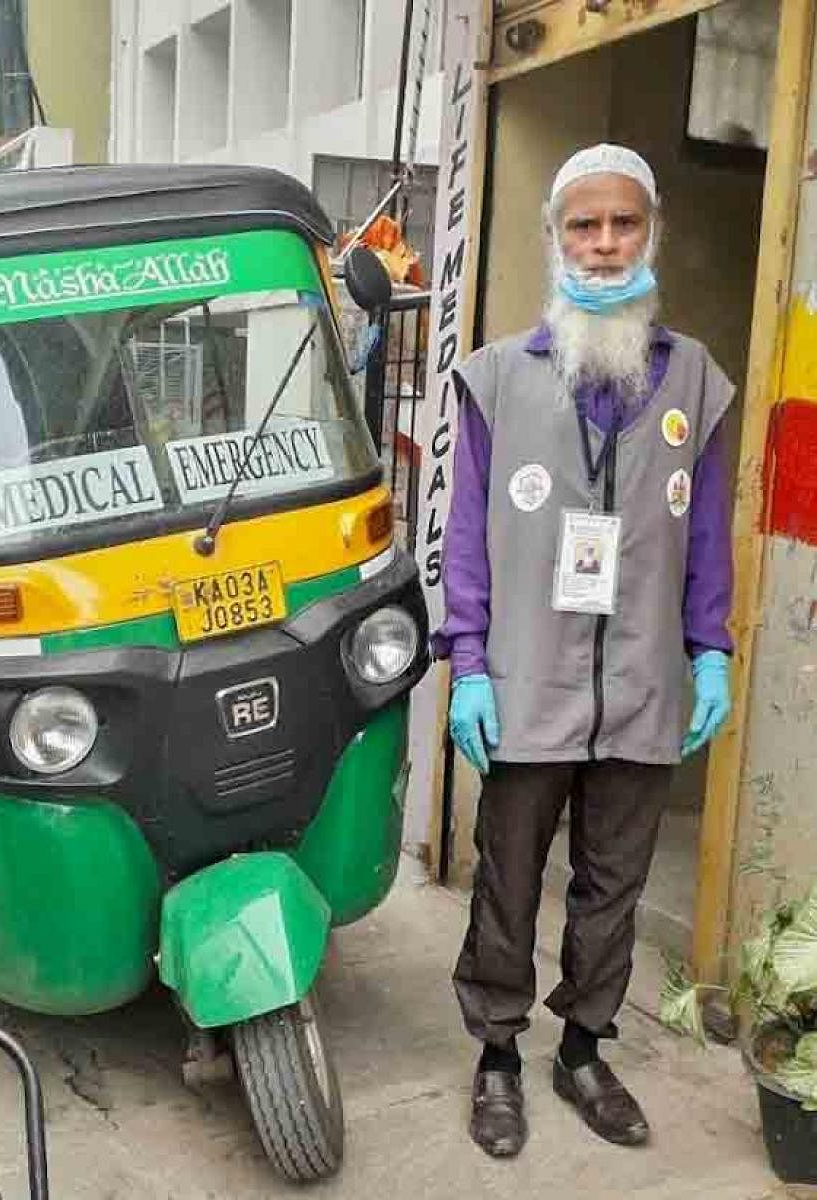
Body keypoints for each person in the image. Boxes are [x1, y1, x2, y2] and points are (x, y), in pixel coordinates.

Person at [433, 144, 734, 1158]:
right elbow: (464, 538)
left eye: (621, 225)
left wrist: (710, 650)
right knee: (507, 877)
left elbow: (706, 535)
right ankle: (496, 1055)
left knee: (613, 881)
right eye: (581, 225)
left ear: (650, 232)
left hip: (643, 681)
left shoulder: (697, 380)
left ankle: (581, 1050)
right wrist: (466, 665)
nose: (602, 246)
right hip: (525, 681)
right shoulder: (491, 382)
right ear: (553, 237)